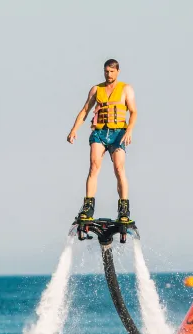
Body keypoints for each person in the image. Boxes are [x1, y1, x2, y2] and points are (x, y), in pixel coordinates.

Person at [67, 58, 138, 224]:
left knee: (119, 168)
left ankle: (123, 209)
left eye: (112, 71)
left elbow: (134, 112)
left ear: (118, 72)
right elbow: (85, 110)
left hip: (118, 133)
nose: (109, 74)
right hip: (100, 132)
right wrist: (74, 130)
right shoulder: (96, 89)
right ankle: (88, 207)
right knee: (94, 166)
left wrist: (129, 130)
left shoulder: (126, 89)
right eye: (106, 71)